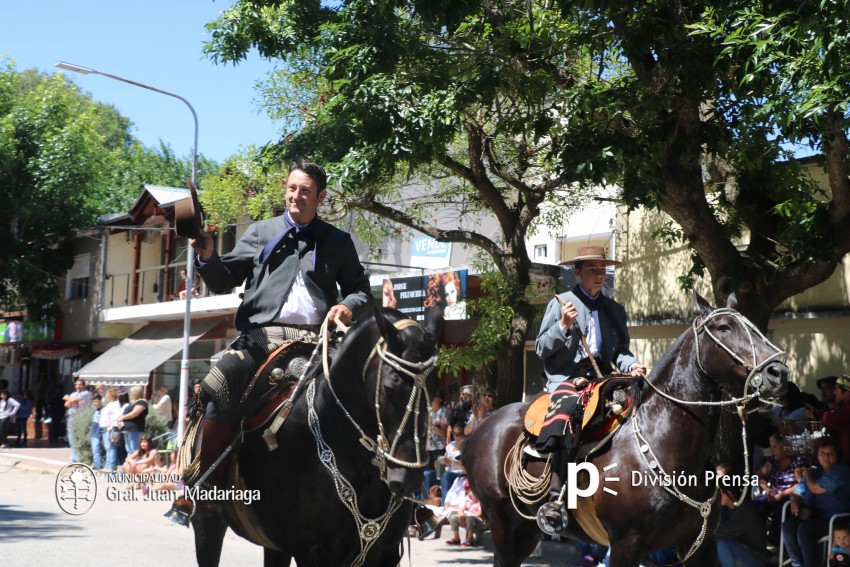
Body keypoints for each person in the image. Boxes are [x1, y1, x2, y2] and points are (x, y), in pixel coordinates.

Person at [168, 160, 372, 521]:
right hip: (263, 337)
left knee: (372, 388)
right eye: (292, 188)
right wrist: (208, 256)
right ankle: (201, 484)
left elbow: (360, 290)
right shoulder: (262, 232)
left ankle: (391, 489)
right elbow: (223, 278)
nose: (296, 196)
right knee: (219, 382)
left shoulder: (338, 242)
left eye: (305, 190)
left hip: (318, 338)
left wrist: (345, 305)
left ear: (320, 197)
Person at [535, 246, 646, 454]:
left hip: (601, 377)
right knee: (567, 416)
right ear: (577, 273)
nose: (599, 275)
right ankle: (557, 478)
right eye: (592, 270)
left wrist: (632, 364)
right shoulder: (560, 303)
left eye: (602, 269)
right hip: (567, 378)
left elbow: (619, 351)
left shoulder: (614, 310)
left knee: (638, 404)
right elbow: (541, 349)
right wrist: (563, 326)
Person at [781, 438, 850, 567]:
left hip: (835, 519)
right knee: (788, 526)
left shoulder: (841, 472)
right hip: (813, 515)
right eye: (822, 453)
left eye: (830, 453)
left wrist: (806, 475)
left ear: (837, 455)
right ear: (817, 455)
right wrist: (794, 501)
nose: (826, 456)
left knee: (805, 529)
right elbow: (797, 492)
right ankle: (797, 564)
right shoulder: (816, 471)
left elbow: (815, 488)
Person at [756, 433, 809, 544]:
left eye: (775, 447)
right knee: (758, 505)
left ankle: (775, 542)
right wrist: (767, 490)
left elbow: (801, 483)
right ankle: (757, 540)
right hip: (773, 494)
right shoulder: (773, 461)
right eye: (771, 447)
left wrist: (782, 494)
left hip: (791, 496)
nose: (772, 450)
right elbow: (759, 475)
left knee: (781, 506)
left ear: (784, 446)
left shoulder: (798, 460)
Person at [715, 465, 770, 567]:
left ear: (728, 493)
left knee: (721, 545)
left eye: (720, 492)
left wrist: (699, 532)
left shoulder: (746, 511)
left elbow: (722, 531)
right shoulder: (727, 509)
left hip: (756, 559)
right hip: (739, 551)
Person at [445, 480, 486, 547]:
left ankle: (470, 539)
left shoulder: (481, 499)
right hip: (469, 520)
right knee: (453, 517)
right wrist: (462, 515)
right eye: (469, 490)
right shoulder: (466, 499)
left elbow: (479, 513)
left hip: (480, 522)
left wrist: (467, 517)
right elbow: (461, 510)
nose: (470, 492)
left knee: (470, 518)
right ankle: (456, 538)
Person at [425, 390, 448, 495]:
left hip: (439, 446)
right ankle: (429, 496)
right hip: (428, 447)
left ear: (440, 399)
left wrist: (431, 426)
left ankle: (440, 496)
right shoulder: (428, 412)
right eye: (432, 396)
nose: (433, 398)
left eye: (436, 396)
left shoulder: (443, 411)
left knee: (440, 473)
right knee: (428, 473)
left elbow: (443, 432)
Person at [823, 375, 850, 466]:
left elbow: (827, 417)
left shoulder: (846, 413)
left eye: (837, 389)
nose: (834, 393)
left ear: (846, 393)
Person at [63, 378, 92, 462]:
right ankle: (73, 458)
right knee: (71, 438)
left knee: (79, 437)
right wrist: (70, 400)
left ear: (84, 385)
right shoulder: (73, 393)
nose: (78, 386)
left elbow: (72, 400)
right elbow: (67, 404)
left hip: (80, 418)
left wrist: (67, 397)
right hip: (71, 417)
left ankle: (78, 458)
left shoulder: (86, 393)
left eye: (80, 385)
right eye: (76, 385)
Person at [116, 386, 148, 456]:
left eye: (131, 393)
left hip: (135, 429)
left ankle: (135, 465)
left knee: (134, 450)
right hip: (126, 429)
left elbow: (134, 413)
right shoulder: (132, 403)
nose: (130, 394)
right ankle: (129, 465)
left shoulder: (142, 402)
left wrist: (122, 418)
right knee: (128, 450)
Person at [440, 425, 466, 506]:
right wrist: (442, 462)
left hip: (460, 472)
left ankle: (444, 506)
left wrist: (450, 461)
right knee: (428, 474)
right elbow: (445, 458)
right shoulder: (451, 445)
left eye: (458, 434)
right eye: (454, 434)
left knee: (446, 476)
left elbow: (464, 466)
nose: (455, 436)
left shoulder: (466, 446)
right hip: (449, 471)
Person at [100, 388, 122, 472]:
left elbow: (117, 415)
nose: (106, 395)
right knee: (107, 447)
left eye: (107, 394)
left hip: (110, 428)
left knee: (111, 447)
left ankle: (111, 466)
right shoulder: (109, 404)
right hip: (104, 427)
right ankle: (107, 465)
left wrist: (112, 426)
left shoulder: (116, 404)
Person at [90, 395, 104, 470]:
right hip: (93, 432)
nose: (94, 403)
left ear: (100, 401)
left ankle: (99, 465)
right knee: (94, 450)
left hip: (98, 433)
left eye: (96, 401)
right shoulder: (96, 410)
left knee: (96, 449)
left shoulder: (103, 410)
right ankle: (96, 464)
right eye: (93, 402)